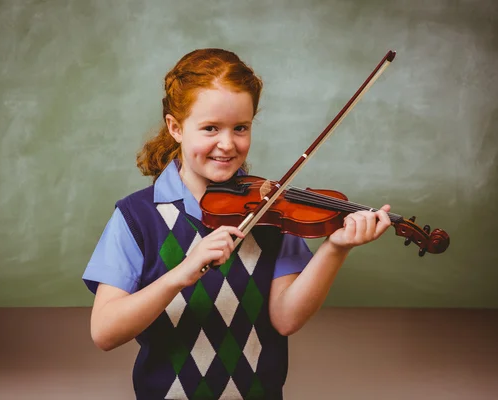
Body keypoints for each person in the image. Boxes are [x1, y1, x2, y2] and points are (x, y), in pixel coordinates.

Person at [82, 48, 391, 399]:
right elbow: (104, 332)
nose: (227, 144)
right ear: (176, 127)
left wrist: (336, 248)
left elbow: (286, 318)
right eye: (210, 128)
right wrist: (181, 274)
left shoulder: (272, 211)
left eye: (240, 128)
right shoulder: (136, 217)